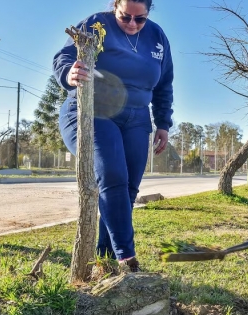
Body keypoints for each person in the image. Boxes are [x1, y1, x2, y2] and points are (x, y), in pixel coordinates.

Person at [53, 0, 173, 271]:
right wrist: (69, 72)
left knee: (128, 188)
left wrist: (163, 123)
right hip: (94, 109)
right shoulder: (97, 24)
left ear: (148, 14)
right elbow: (63, 57)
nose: (132, 24)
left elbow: (164, 83)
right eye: (125, 16)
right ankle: (127, 258)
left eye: (139, 19)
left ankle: (105, 260)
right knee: (112, 176)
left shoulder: (157, 37)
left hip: (137, 116)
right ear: (114, 7)